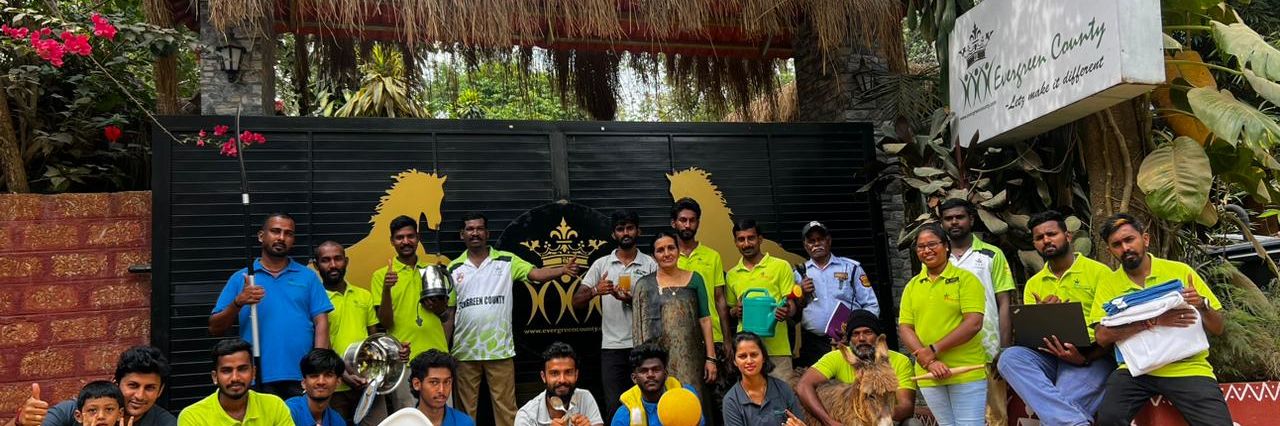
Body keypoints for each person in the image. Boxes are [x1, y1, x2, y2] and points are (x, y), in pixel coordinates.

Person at [1091, 214, 1231, 426]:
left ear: (1145, 239)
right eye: (1117, 244)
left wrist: (1202, 305)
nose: (1125, 248)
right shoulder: (1108, 283)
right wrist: (1152, 321)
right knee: (1108, 419)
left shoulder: (1180, 272)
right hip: (1135, 369)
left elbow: (1218, 328)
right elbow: (1102, 337)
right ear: (1110, 250)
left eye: (1129, 240)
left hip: (1187, 366)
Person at [446, 212, 580, 426]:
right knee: (465, 411)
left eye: (479, 228)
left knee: (506, 410)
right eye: (470, 229)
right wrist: (445, 348)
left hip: (500, 349)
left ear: (487, 233)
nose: (475, 233)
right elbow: (450, 312)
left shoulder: (506, 260)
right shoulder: (453, 268)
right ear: (462, 234)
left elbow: (535, 274)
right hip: (465, 351)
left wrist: (561, 270)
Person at [996, 211, 1115, 426]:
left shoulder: (1099, 272)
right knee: (1009, 358)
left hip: (1092, 355)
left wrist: (1085, 356)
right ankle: (1073, 422)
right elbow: (1031, 337)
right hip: (1050, 355)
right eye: (1039, 238)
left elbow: (1112, 328)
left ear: (1068, 236)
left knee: (1064, 403)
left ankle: (1067, 421)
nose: (1046, 240)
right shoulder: (1034, 283)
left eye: (1052, 234)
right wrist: (1043, 318)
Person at [209, 213, 333, 399]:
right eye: (275, 231)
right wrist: (238, 302)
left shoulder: (307, 276)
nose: (281, 237)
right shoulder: (243, 278)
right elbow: (215, 328)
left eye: (288, 233)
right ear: (261, 236)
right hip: (256, 376)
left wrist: (317, 368)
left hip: (301, 375)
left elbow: (321, 322)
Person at [898, 223, 987, 426]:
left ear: (946, 246)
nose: (926, 250)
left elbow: (974, 323)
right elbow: (905, 327)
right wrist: (929, 361)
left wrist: (934, 349)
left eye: (932, 244)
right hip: (928, 373)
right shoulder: (912, 286)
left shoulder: (966, 280)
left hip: (965, 371)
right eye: (921, 246)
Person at [572, 210, 658, 417]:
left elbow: (659, 305)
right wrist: (595, 291)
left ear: (639, 231)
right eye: (620, 229)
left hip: (644, 344)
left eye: (630, 228)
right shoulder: (602, 264)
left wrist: (630, 299)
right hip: (612, 348)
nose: (625, 233)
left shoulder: (650, 264)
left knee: (648, 405)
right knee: (615, 406)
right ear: (613, 234)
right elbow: (576, 302)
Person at [937, 199, 1014, 425]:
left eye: (959, 217)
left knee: (996, 416)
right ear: (941, 223)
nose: (954, 222)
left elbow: (1004, 303)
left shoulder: (992, 255)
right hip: (950, 352)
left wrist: (1005, 349)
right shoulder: (936, 259)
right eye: (948, 218)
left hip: (988, 350)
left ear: (971, 219)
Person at [315, 240, 405, 425]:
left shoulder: (363, 295)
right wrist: (342, 374)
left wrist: (396, 352)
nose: (333, 265)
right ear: (316, 265)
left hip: (368, 384)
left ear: (346, 261)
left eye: (338, 259)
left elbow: (376, 340)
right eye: (326, 260)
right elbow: (315, 344)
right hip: (334, 385)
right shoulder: (315, 299)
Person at [369, 215, 450, 412]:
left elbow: (445, 315)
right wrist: (387, 290)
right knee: (409, 416)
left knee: (442, 414)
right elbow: (385, 322)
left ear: (418, 237)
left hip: (437, 355)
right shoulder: (381, 276)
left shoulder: (432, 270)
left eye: (410, 236)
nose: (405, 241)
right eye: (399, 237)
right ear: (392, 241)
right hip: (403, 360)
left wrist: (437, 306)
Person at [631, 230, 719, 397]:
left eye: (671, 248)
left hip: (692, 359)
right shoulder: (644, 285)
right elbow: (637, 330)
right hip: (656, 363)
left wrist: (711, 358)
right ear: (653, 255)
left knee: (693, 403)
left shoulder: (695, 279)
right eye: (660, 250)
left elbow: (705, 320)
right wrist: (641, 367)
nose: (666, 254)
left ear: (678, 250)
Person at [797, 310, 921, 426]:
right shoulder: (836, 357)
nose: (861, 338)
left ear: (878, 337)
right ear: (849, 339)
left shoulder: (900, 361)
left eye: (868, 332)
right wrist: (828, 421)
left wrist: (881, 414)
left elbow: (907, 406)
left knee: (913, 424)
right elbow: (804, 385)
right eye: (855, 334)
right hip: (847, 420)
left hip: (888, 420)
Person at [7, 346, 176, 426]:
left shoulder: (165, 423)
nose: (139, 395)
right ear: (116, 384)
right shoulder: (72, 411)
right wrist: (20, 421)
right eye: (133, 385)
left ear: (160, 391)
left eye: (150, 388)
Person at [793, 221, 880, 369]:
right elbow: (793, 313)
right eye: (811, 241)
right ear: (805, 245)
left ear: (829, 240)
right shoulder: (798, 274)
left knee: (855, 383)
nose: (816, 244)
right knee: (820, 388)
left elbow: (871, 305)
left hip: (850, 341)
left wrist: (859, 331)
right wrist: (801, 293)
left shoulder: (850, 268)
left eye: (820, 239)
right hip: (815, 343)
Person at [724, 218, 798, 381]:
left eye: (751, 238)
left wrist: (785, 312)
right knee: (752, 400)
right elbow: (731, 310)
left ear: (760, 239)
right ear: (735, 242)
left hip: (777, 350)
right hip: (746, 352)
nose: (746, 243)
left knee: (783, 400)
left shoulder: (781, 266)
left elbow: (791, 305)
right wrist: (737, 311)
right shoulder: (732, 275)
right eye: (741, 239)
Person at [178, 338, 293, 425]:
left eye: (242, 369)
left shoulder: (274, 406)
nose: (235, 378)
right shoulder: (193, 416)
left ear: (253, 373)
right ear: (214, 377)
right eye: (226, 371)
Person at [721, 332, 805, 426]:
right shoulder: (731, 401)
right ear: (734, 361)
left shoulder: (783, 389)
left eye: (754, 355)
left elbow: (800, 422)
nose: (749, 361)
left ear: (764, 357)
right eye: (742, 356)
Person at [609, 344, 704, 426]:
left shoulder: (687, 397)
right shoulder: (624, 415)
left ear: (665, 374)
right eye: (644, 371)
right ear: (634, 378)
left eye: (656, 369)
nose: (650, 375)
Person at [515, 342, 605, 426]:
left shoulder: (585, 398)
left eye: (568, 372)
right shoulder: (526, 415)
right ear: (543, 377)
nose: (562, 380)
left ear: (576, 375)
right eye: (554, 373)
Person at [389, 350, 475, 426]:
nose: (442, 390)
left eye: (447, 382)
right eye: (434, 382)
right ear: (417, 384)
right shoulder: (402, 423)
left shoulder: (465, 422)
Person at [285, 349, 347, 426]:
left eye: (328, 375)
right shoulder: (289, 410)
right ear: (304, 383)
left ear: (338, 382)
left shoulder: (337, 421)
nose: (321, 382)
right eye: (314, 376)